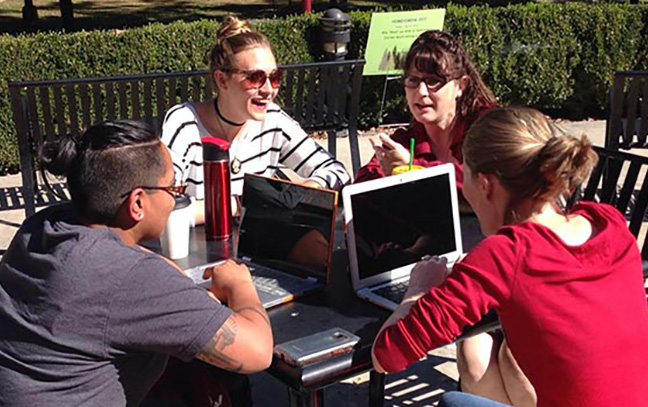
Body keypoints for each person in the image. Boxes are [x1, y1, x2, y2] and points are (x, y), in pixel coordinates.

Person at [371, 107, 648, 407]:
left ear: (485, 184)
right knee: (484, 353)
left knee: (454, 402)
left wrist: (419, 289)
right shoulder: (609, 222)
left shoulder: (504, 256)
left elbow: (386, 356)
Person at [0, 120, 273, 406]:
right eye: (174, 189)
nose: (175, 200)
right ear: (138, 203)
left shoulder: (41, 226)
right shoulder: (126, 276)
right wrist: (239, 283)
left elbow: (132, 276)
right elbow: (257, 352)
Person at [162, 15, 350, 223]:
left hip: (257, 249)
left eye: (275, 77)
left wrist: (303, 191)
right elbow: (164, 205)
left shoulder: (273, 120)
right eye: (255, 78)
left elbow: (337, 172)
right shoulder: (185, 123)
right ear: (222, 80)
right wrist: (242, 203)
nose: (268, 90)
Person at [354, 30, 498, 190]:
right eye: (413, 80)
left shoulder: (487, 129)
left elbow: (484, 184)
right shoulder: (407, 141)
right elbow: (362, 186)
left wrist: (414, 171)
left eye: (433, 81)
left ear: (461, 86)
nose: (421, 91)